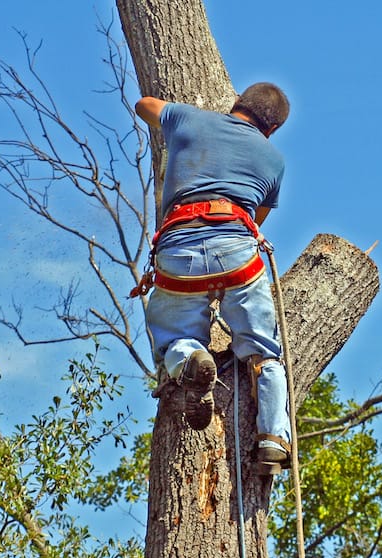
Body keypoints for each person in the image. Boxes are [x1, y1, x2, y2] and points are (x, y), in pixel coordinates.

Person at [134, 82, 293, 474]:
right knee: (264, 350)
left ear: (236, 104)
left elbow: (144, 105)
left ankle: (189, 358)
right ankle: (273, 438)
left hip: (177, 252)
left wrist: (176, 116)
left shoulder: (188, 119)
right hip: (237, 254)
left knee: (172, 335)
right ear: (270, 129)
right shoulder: (273, 160)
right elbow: (255, 221)